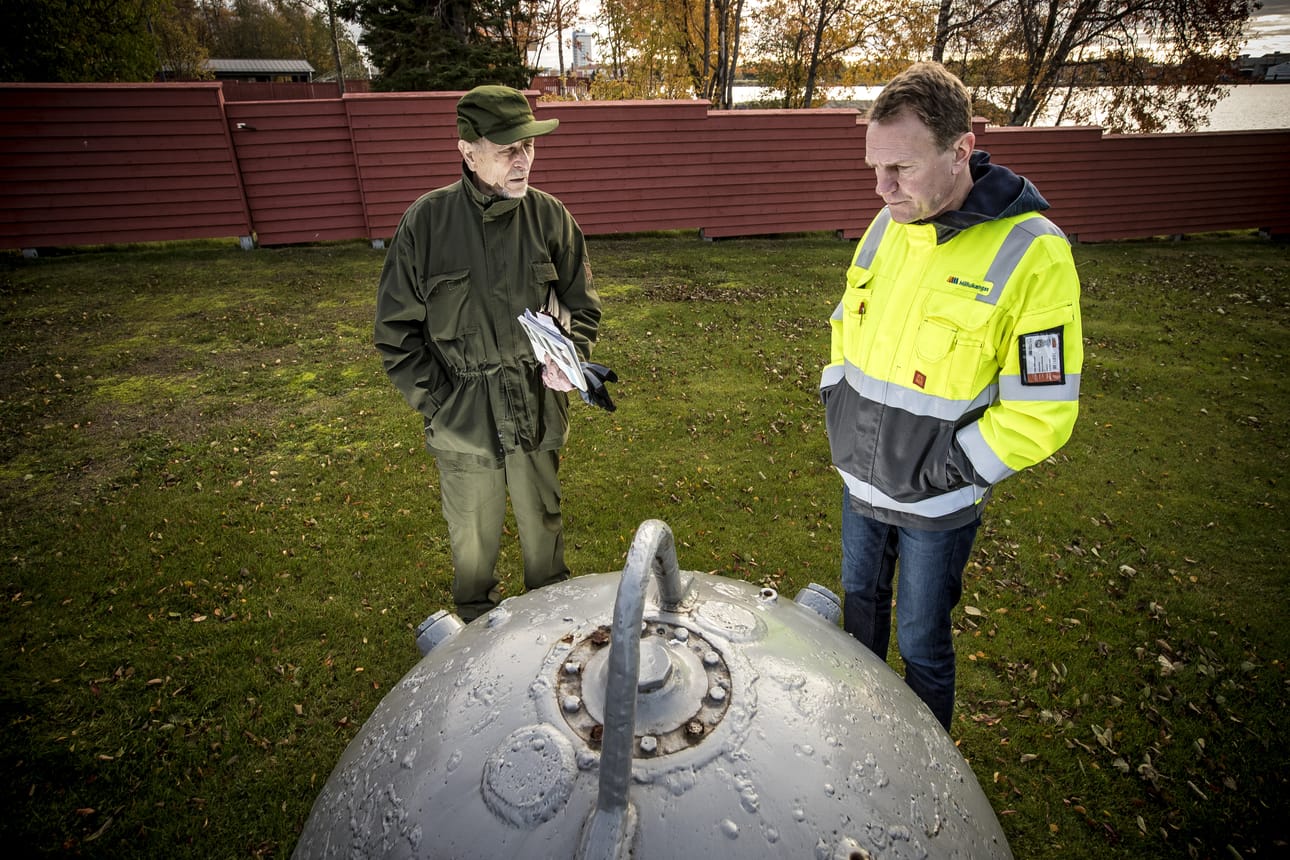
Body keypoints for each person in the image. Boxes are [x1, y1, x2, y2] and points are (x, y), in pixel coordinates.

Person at [820, 62, 1083, 730]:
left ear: (961, 150)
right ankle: (858, 739)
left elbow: (1042, 408)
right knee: (858, 620)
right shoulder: (889, 225)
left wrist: (951, 471)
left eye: (900, 169)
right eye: (874, 169)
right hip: (862, 484)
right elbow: (846, 327)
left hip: (938, 502)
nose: (882, 190)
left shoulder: (1033, 253)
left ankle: (923, 777)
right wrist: (837, 406)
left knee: (921, 643)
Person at [374, 85, 604, 622]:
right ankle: (475, 649)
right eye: (507, 148)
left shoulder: (550, 219)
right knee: (473, 557)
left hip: (533, 407)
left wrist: (570, 362)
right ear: (468, 150)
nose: (523, 159)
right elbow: (394, 332)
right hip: (464, 419)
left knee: (545, 546)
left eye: (528, 145)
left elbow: (582, 306)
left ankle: (551, 644)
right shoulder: (426, 225)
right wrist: (440, 404)